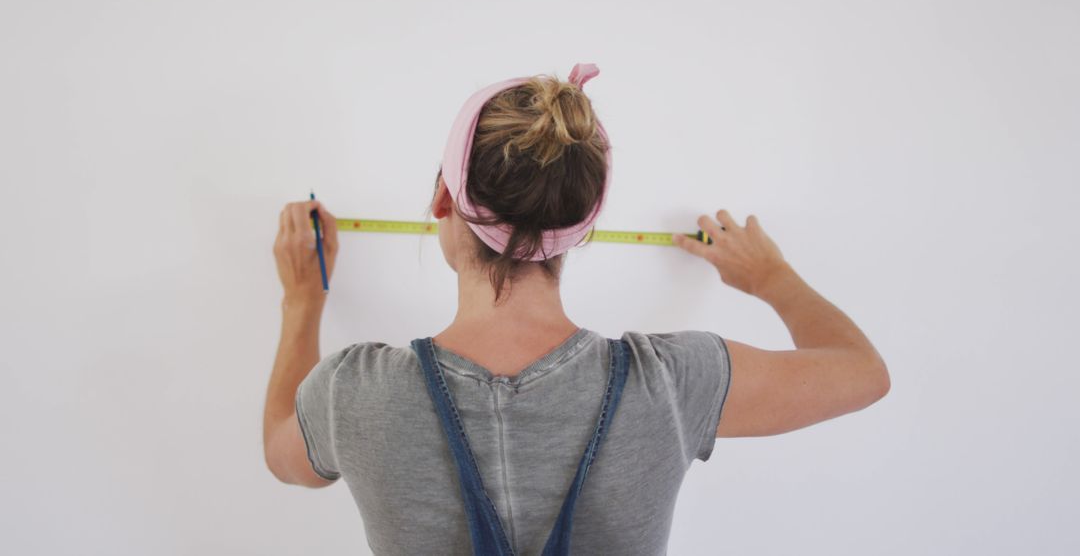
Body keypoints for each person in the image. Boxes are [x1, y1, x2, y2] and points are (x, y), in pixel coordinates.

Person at [262, 63, 890, 555]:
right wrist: (772, 276)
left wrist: (301, 301)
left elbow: (279, 453)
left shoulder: (353, 397)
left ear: (442, 201)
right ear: (584, 228)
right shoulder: (669, 384)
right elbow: (862, 373)